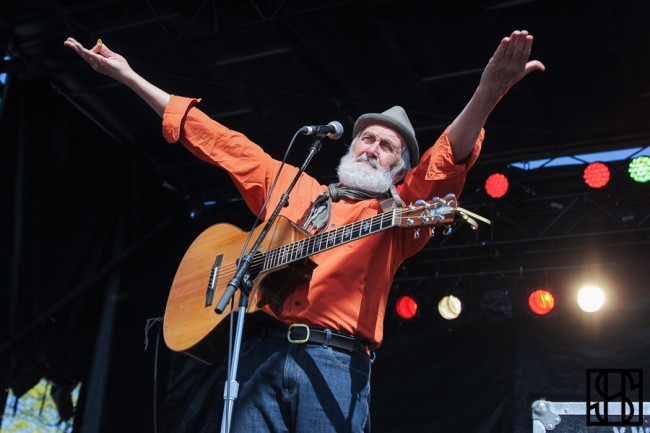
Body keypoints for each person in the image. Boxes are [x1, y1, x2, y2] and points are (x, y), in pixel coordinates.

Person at [64, 30, 544, 433]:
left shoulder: (399, 213)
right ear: (350, 147)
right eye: (367, 139)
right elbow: (220, 142)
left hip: (336, 364)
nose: (373, 148)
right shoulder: (296, 187)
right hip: (258, 357)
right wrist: (130, 77)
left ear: (399, 171)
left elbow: (445, 162)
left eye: (387, 147)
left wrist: (486, 94)